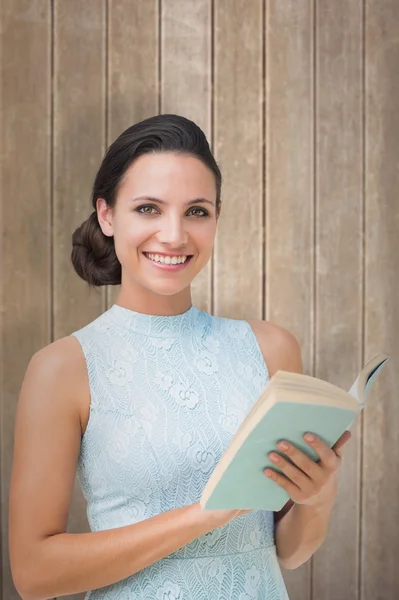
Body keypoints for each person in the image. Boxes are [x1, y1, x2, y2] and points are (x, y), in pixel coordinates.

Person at [9, 114, 351, 600]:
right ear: (107, 215)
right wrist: (204, 515)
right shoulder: (63, 369)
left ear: (216, 218)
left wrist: (317, 498)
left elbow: (287, 552)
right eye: (148, 208)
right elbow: (34, 573)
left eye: (196, 211)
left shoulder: (271, 348)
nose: (173, 235)